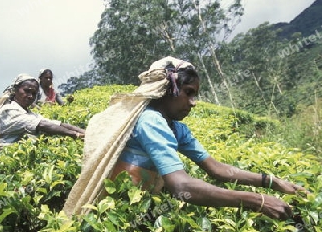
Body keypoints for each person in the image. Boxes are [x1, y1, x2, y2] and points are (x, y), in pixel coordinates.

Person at [63, 56, 307, 220]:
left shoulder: (176, 129)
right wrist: (257, 201)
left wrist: (270, 181)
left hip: (139, 210)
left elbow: (217, 169)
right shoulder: (150, 121)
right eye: (188, 93)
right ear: (168, 89)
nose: (193, 102)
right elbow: (181, 186)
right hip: (114, 215)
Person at [0, 73, 85, 153]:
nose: (30, 96)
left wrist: (85, 132)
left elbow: (57, 123)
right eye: (26, 91)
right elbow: (42, 125)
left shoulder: (29, 113)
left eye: (34, 93)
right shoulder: (8, 111)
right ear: (15, 90)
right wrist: (75, 135)